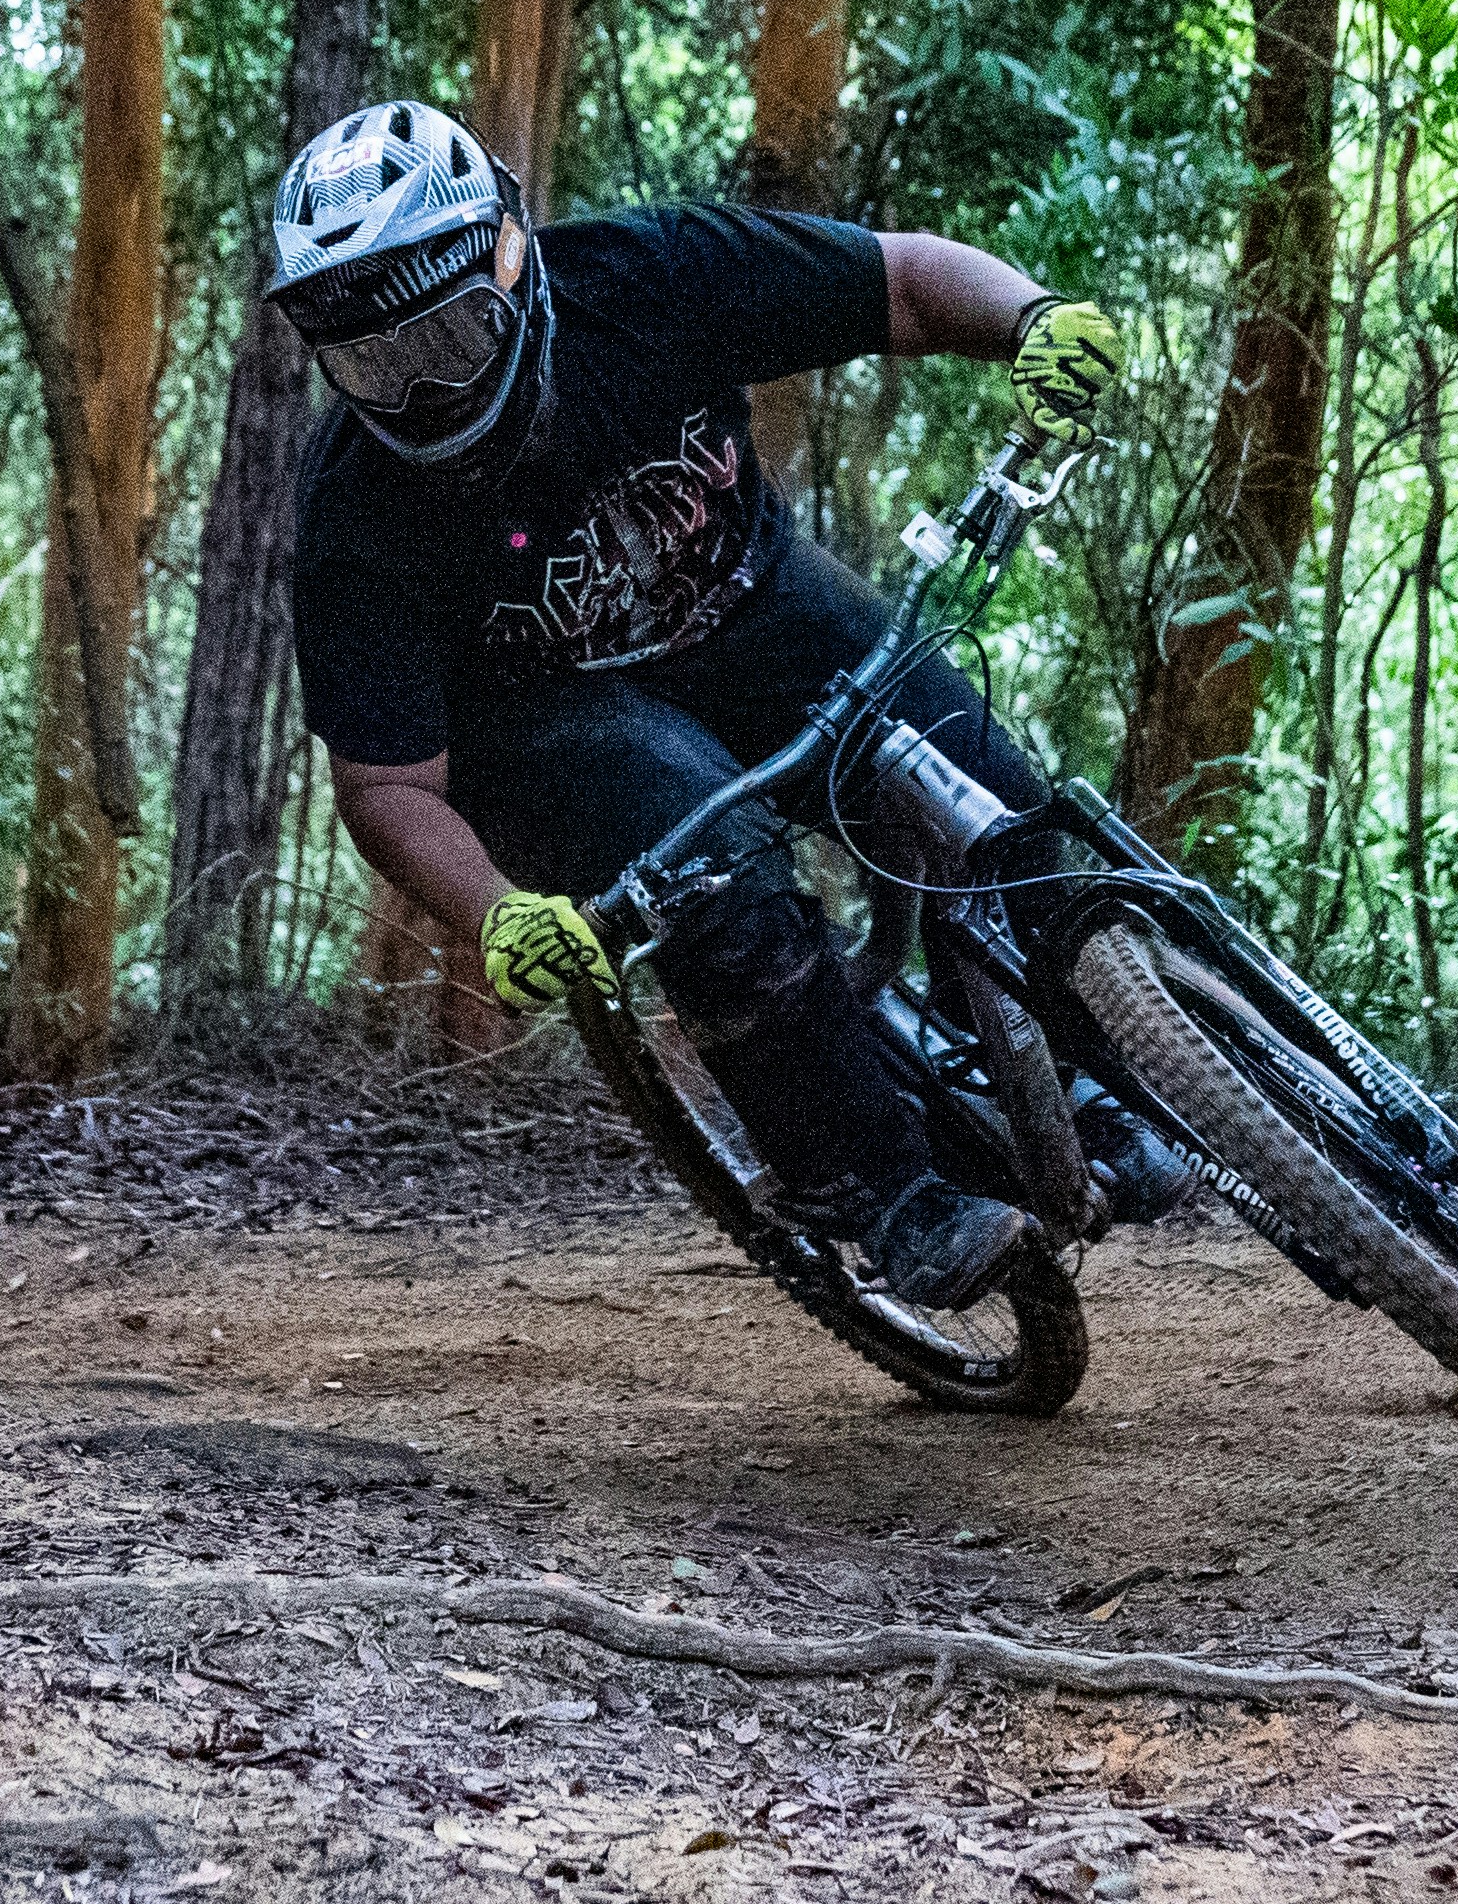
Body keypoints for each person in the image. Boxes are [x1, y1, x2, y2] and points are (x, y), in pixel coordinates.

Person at [264, 99, 1125, 1310]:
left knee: (1001, 812)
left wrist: (1034, 318)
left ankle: (1107, 1081)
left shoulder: (651, 276)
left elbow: (908, 289)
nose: (424, 390)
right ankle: (880, 1191)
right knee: (714, 876)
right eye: (376, 365)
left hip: (755, 606)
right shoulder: (354, 524)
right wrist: (497, 913)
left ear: (510, 259)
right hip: (548, 722)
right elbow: (389, 788)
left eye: (450, 334)